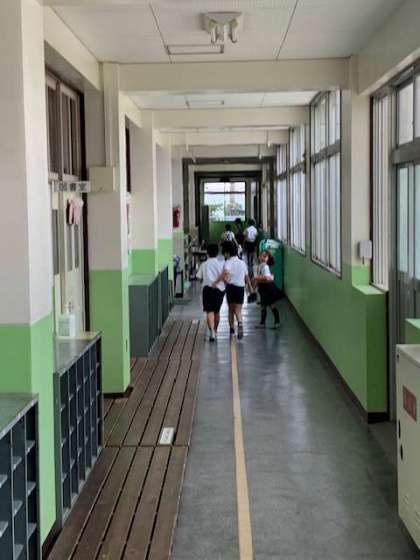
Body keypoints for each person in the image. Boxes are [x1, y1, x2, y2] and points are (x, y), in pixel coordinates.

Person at [220, 241, 253, 340]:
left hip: (231, 288)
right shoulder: (242, 263)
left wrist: (225, 281)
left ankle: (232, 331)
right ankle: (240, 323)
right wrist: (250, 288)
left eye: (224, 253)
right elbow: (247, 277)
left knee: (231, 310)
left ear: (227, 253)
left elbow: (225, 274)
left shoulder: (228, 262)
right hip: (240, 288)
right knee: (238, 310)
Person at [196, 244, 225, 342]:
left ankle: (212, 332)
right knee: (217, 312)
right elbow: (225, 277)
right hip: (219, 290)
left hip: (207, 289)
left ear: (207, 253)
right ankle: (215, 331)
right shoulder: (221, 264)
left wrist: (205, 280)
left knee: (209, 311)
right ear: (217, 253)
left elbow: (199, 277)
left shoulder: (204, 264)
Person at [254, 250, 281, 329]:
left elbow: (267, 279)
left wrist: (257, 278)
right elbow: (262, 278)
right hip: (262, 288)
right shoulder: (260, 265)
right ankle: (262, 323)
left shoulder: (265, 267)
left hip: (268, 288)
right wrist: (256, 283)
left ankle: (277, 322)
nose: (262, 257)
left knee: (272, 305)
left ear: (267, 258)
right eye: (261, 256)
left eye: (264, 256)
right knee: (263, 306)